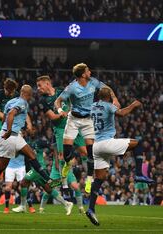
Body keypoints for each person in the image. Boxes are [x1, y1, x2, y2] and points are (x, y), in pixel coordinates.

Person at [85, 88, 154, 226]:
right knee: (137, 144)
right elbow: (122, 113)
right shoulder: (109, 106)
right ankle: (139, 173)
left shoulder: (92, 106)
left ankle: (91, 208)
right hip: (107, 143)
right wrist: (134, 104)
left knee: (99, 179)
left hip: (96, 146)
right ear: (109, 97)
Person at [0, 85, 60, 205]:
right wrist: (7, 130)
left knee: (31, 155)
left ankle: (49, 180)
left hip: (13, 135)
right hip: (10, 135)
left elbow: (5, 116)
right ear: (28, 95)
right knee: (2, 166)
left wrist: (5, 128)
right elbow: (11, 114)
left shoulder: (11, 101)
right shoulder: (23, 103)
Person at [55, 63, 120, 193]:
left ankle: (89, 180)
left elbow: (107, 88)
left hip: (88, 121)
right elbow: (58, 100)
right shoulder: (72, 87)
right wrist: (60, 110)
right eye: (88, 70)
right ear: (83, 74)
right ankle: (67, 164)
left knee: (91, 153)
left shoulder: (93, 82)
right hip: (73, 120)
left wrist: (115, 99)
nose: (90, 72)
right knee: (67, 154)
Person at [36, 75, 85, 213]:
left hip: (73, 125)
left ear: (47, 83)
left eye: (40, 85)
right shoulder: (43, 101)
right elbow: (52, 117)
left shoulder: (61, 91)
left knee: (86, 151)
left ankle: (90, 177)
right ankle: (63, 185)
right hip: (60, 129)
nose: (38, 89)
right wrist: (62, 114)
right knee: (62, 156)